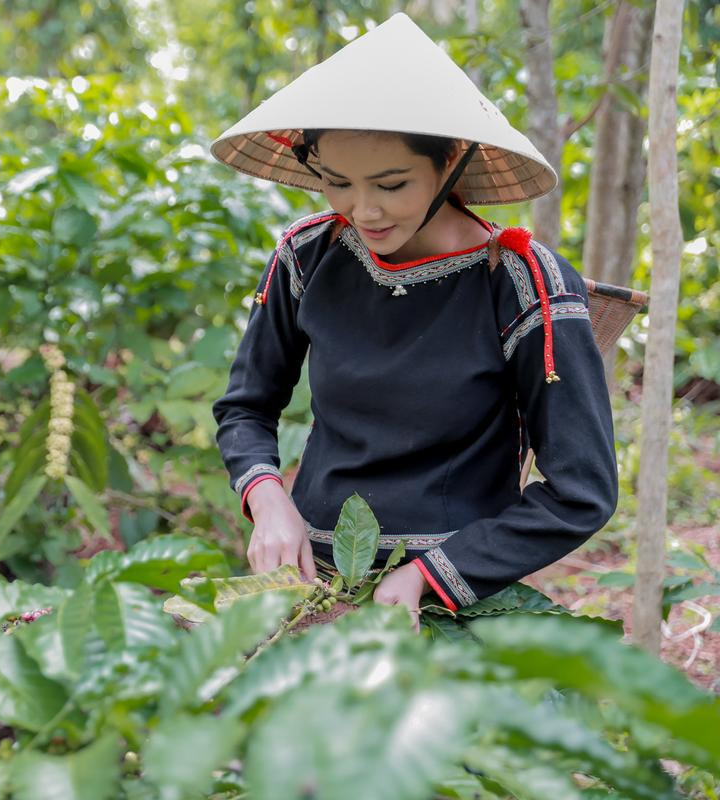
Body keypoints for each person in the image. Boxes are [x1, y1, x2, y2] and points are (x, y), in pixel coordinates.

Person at [209, 13, 618, 631]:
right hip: (311, 586)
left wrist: (430, 573)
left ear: (450, 160)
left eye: (391, 184)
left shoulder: (521, 282)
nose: (363, 209)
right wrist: (268, 501)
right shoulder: (306, 256)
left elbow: (581, 489)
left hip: (453, 601)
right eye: (336, 182)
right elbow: (245, 408)